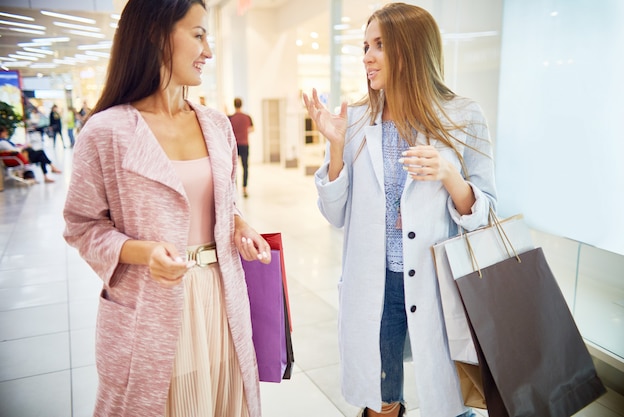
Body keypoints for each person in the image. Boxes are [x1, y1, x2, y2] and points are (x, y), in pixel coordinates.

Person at [62, 1, 270, 416]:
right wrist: (144, 252)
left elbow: (221, 204)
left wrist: (240, 225)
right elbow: (81, 226)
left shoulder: (215, 125)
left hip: (221, 296)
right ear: (157, 36)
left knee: (224, 402)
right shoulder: (106, 131)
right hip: (150, 306)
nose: (208, 51)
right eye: (198, 35)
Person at [303, 3, 497, 417]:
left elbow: (486, 215)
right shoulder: (354, 118)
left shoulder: (462, 116)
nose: (366, 57)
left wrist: (449, 174)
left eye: (379, 46)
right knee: (381, 397)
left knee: (448, 397)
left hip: (437, 281)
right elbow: (335, 215)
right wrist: (336, 151)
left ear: (410, 51)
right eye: (364, 46)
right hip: (376, 282)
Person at [228, 97, 254, 197]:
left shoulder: (231, 118)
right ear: (241, 104)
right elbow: (252, 129)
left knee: (234, 168)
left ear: (234, 105)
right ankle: (244, 188)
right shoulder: (247, 117)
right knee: (245, 167)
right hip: (245, 144)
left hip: (234, 146)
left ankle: (235, 188)